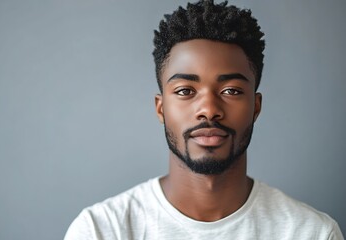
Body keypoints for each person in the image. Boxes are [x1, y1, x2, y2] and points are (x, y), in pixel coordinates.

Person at [64, 0, 344, 239]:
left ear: (255, 106)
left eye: (231, 91)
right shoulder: (101, 231)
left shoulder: (311, 233)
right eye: (185, 91)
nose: (209, 109)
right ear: (161, 109)